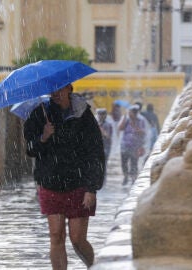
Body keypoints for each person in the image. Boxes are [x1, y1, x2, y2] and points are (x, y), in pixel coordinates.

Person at [23, 84, 105, 269]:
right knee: (56, 236)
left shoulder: (82, 115)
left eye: (60, 89)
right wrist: (43, 137)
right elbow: (30, 149)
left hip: (79, 183)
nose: (56, 93)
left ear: (69, 89)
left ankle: (94, 266)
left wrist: (91, 188)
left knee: (77, 239)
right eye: (53, 89)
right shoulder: (39, 114)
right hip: (50, 183)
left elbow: (95, 152)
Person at [118, 105, 146, 185]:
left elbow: (143, 133)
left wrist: (135, 127)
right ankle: (126, 177)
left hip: (135, 146)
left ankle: (133, 179)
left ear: (135, 113)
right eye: (129, 112)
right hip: (125, 145)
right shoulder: (126, 119)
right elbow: (120, 128)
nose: (130, 114)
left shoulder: (141, 120)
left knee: (134, 163)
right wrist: (124, 117)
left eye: (131, 113)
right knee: (124, 163)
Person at [96, 108, 113, 182]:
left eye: (103, 114)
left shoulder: (107, 125)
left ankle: (103, 180)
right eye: (99, 114)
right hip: (96, 147)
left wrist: (100, 128)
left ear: (105, 115)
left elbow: (107, 136)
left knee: (103, 164)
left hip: (105, 147)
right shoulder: (95, 123)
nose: (101, 116)